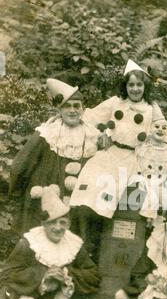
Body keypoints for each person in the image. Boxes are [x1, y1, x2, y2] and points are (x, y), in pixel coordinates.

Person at [0, 185, 100, 299]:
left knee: (90, 298)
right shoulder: (28, 244)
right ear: (44, 224)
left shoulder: (74, 244)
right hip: (31, 296)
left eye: (63, 222)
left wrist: (68, 275)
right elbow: (7, 274)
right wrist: (42, 275)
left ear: (68, 224)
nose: (58, 227)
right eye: (52, 222)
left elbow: (93, 275)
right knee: (7, 293)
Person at [70, 59, 165, 218]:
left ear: (145, 86)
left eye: (139, 85)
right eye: (131, 85)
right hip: (110, 153)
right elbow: (91, 118)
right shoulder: (116, 102)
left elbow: (161, 130)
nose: (135, 89)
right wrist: (101, 135)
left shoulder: (151, 107)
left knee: (123, 196)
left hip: (134, 159)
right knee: (92, 187)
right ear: (125, 86)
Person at [9, 79, 100, 235]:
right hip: (44, 195)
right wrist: (16, 193)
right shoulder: (46, 133)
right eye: (67, 106)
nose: (72, 110)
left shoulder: (92, 135)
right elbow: (21, 164)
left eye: (76, 106)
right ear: (60, 109)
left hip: (76, 199)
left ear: (83, 109)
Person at [135, 115, 167, 219]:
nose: (160, 129)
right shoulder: (143, 148)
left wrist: (166, 184)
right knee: (150, 196)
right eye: (157, 126)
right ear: (150, 129)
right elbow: (137, 167)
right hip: (143, 184)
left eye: (164, 127)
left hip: (161, 185)